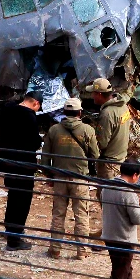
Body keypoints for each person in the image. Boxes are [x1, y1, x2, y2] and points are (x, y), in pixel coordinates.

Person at [41, 96, 100, 260]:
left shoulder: (54, 130)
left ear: (64, 112)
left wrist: (49, 176)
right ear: (80, 112)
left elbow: (45, 158)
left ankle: (55, 249)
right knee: (81, 215)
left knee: (58, 214)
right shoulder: (88, 130)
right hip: (80, 179)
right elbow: (95, 155)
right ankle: (82, 251)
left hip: (59, 178)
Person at [0, 91, 42, 250]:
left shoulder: (6, 110)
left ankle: (9, 229)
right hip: (23, 165)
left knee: (13, 196)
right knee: (22, 201)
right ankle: (15, 239)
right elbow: (34, 142)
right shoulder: (29, 116)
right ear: (36, 103)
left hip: (7, 162)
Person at [101, 159, 140, 279]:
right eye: (139, 175)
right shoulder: (129, 192)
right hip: (124, 240)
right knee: (118, 277)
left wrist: (134, 204)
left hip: (109, 236)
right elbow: (137, 219)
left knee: (125, 271)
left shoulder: (106, 187)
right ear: (134, 175)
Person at [88, 78, 130, 181]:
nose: (92, 96)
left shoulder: (107, 114)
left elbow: (102, 143)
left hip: (109, 164)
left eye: (93, 93)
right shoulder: (123, 106)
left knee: (106, 190)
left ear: (99, 94)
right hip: (121, 158)